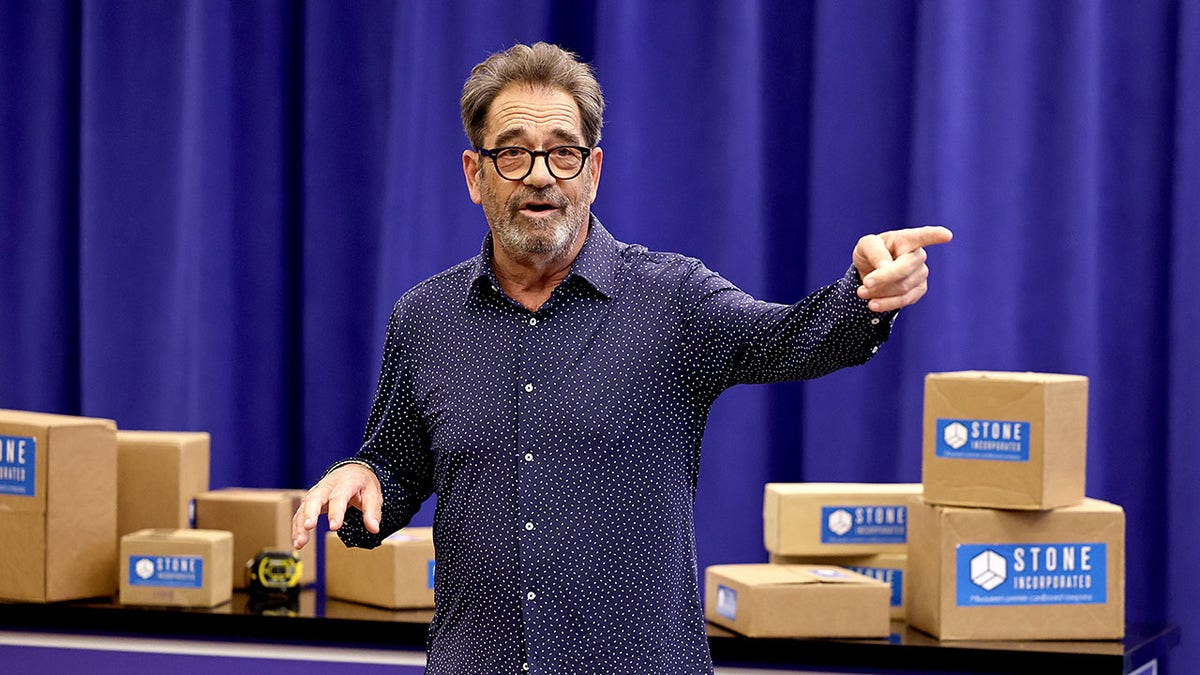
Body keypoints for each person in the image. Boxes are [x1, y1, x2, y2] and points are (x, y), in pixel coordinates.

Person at [292, 42, 952, 674]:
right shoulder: (425, 318)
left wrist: (864, 296)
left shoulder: (674, 300)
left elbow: (791, 338)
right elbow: (395, 470)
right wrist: (363, 476)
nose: (542, 174)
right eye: (515, 154)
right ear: (476, 174)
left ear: (594, 171)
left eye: (563, 154)